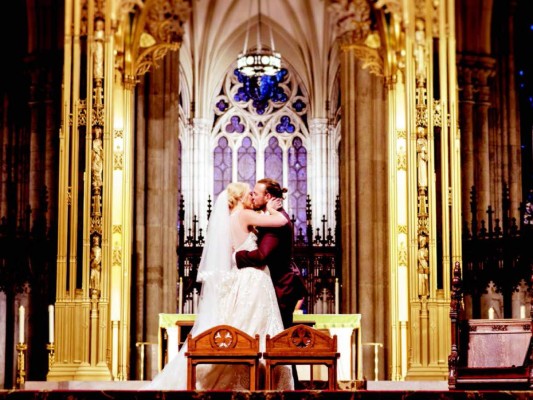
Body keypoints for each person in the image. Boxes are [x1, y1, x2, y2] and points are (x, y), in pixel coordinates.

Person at [144, 182, 293, 390]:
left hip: (242, 277)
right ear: (240, 198)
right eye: (249, 193)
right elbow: (280, 221)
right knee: (256, 326)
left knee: (245, 325)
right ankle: (256, 380)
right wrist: (271, 209)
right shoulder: (244, 215)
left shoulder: (232, 219)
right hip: (254, 278)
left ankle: (249, 378)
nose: (252, 196)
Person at [235, 178, 307, 330]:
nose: (252, 197)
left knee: (278, 334)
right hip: (277, 283)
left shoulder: (276, 223)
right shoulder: (272, 218)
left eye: (255, 193)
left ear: (267, 197)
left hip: (282, 285)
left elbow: (262, 255)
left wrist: (238, 256)